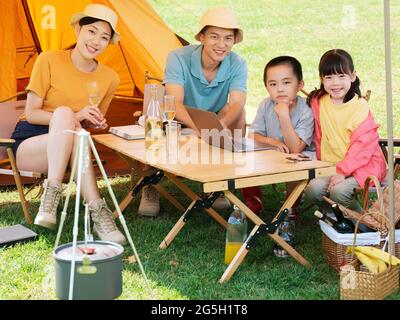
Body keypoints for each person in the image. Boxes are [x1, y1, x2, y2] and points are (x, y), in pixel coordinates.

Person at [10, 4, 126, 244]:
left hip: (74, 140)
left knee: (78, 132)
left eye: (104, 37)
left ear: (109, 43)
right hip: (33, 142)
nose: (96, 41)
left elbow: (90, 123)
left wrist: (94, 121)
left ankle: (91, 207)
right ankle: (66, 197)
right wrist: (75, 114)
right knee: (64, 115)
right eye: (91, 31)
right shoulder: (49, 60)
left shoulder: (109, 78)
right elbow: (31, 113)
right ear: (77, 29)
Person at [138, 7, 248, 216]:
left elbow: (237, 104)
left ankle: (220, 183)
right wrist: (198, 126)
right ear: (201, 37)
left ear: (234, 41)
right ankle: (150, 183)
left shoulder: (238, 64)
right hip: (176, 118)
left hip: (213, 118)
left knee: (239, 116)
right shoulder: (178, 57)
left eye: (228, 38)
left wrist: (218, 126)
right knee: (156, 106)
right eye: (214, 36)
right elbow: (174, 103)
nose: (221, 44)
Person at [304, 49, 386, 229]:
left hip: (363, 166)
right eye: (329, 77)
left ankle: (367, 227)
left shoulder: (359, 107)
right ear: (321, 79)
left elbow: (362, 148)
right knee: (312, 191)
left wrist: (342, 171)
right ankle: (341, 219)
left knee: (339, 192)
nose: (335, 83)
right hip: (331, 165)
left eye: (341, 76)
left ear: (353, 76)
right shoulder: (319, 101)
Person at [245, 56, 315, 257]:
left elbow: (295, 149)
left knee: (295, 171)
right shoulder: (266, 105)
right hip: (272, 155)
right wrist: (274, 142)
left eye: (286, 82)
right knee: (246, 161)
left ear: (299, 84)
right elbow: (254, 135)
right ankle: (251, 208)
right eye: (273, 84)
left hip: (300, 159)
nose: (280, 89)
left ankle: (287, 215)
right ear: (266, 87)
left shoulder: (305, 111)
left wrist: (284, 115)